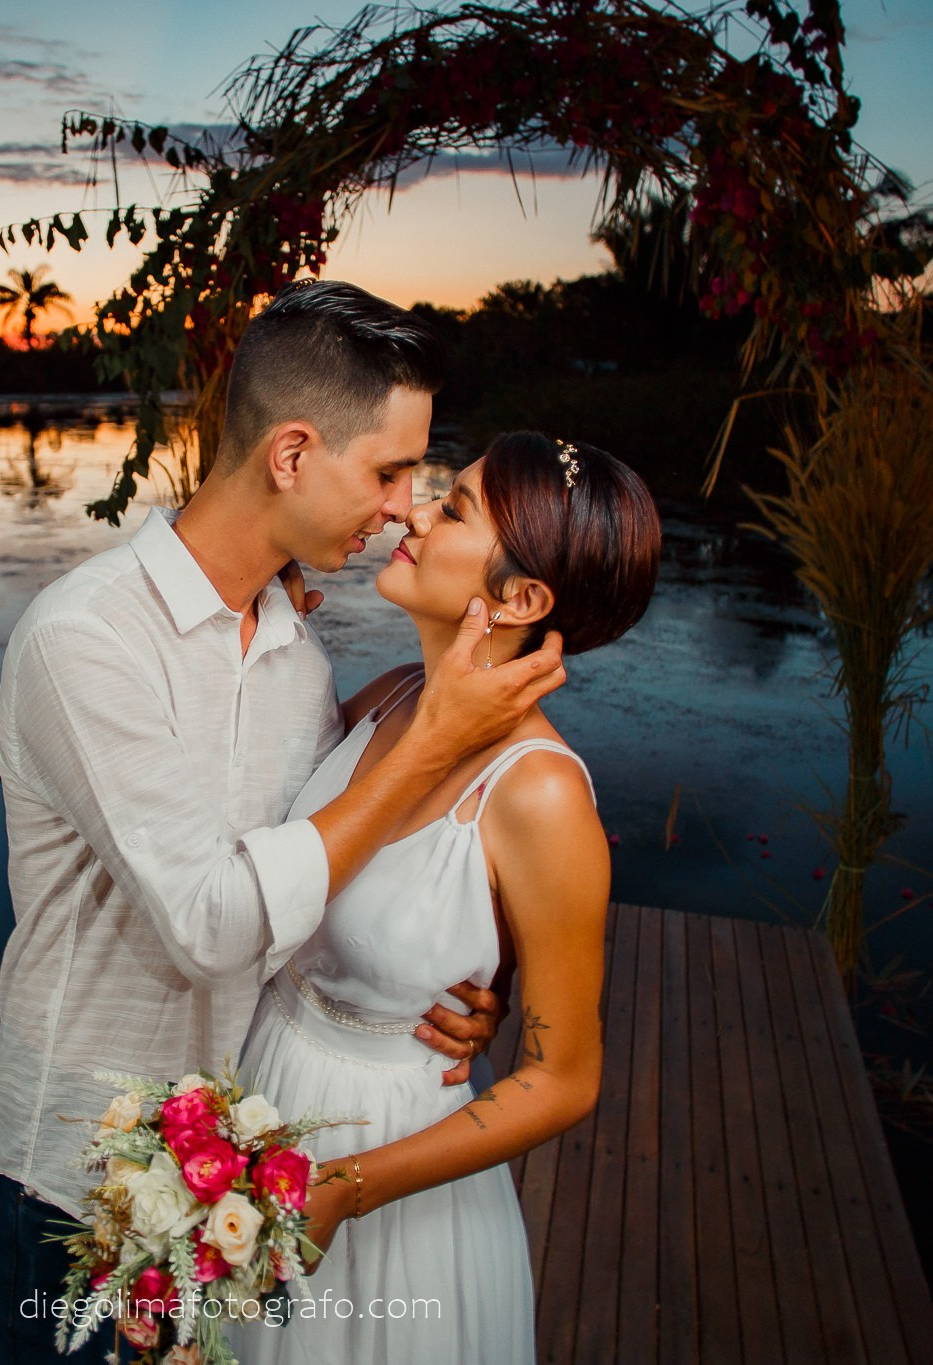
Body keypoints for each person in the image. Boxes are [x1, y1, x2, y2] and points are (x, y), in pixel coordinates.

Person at [0, 282, 567, 1364]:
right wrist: (431, 745)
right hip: (84, 1188)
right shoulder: (86, 641)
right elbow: (211, 923)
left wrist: (451, 983)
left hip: (238, 1174)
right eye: (388, 472)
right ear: (291, 454)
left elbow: (322, 873)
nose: (402, 506)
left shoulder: (302, 658)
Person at [228, 432, 661, 1364]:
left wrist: (346, 1185)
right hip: (266, 1089)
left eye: (453, 508)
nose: (413, 512)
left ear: (522, 598)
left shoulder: (540, 794)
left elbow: (564, 1077)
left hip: (387, 1160)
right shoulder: (387, 696)